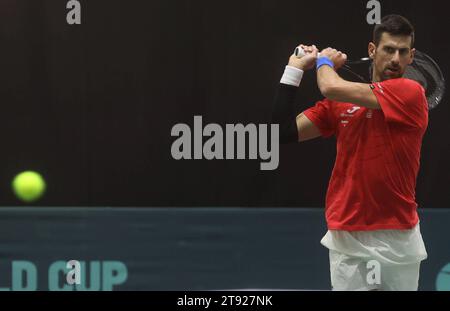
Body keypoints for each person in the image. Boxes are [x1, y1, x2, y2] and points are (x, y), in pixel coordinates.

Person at [273, 14, 428, 290]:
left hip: (399, 237)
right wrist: (294, 69)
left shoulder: (411, 93)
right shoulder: (338, 106)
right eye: (388, 49)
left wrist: (323, 62)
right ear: (372, 50)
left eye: (402, 52)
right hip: (348, 234)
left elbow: (330, 86)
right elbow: (279, 133)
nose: (395, 58)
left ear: (411, 56)